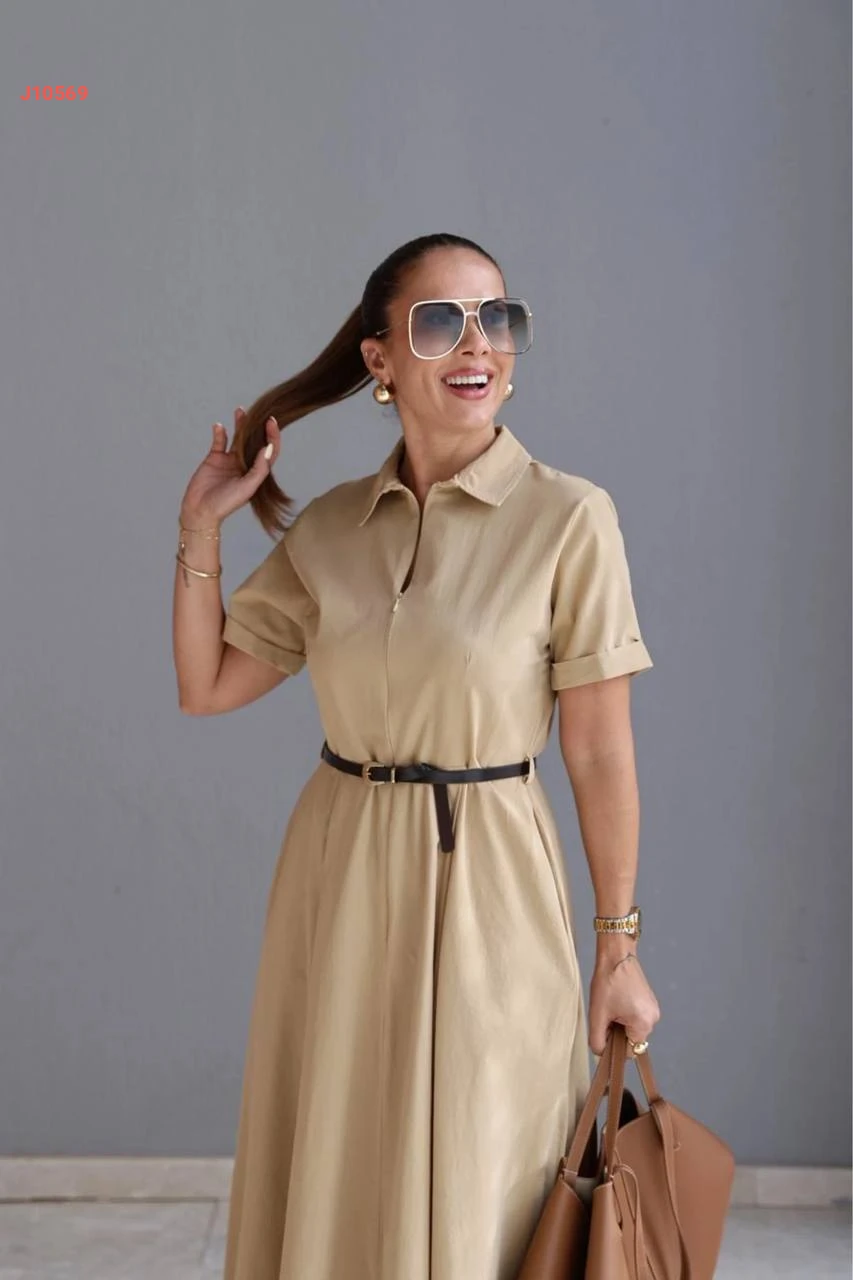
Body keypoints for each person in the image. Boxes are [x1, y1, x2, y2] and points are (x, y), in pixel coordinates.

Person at [172, 232, 661, 1280]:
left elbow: (598, 751)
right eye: (441, 321)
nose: (477, 343)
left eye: (496, 318)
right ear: (380, 359)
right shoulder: (332, 528)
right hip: (341, 866)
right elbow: (207, 684)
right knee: (346, 1153)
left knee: (489, 1165)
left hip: (493, 873)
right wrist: (202, 529)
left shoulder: (569, 519)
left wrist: (617, 947)